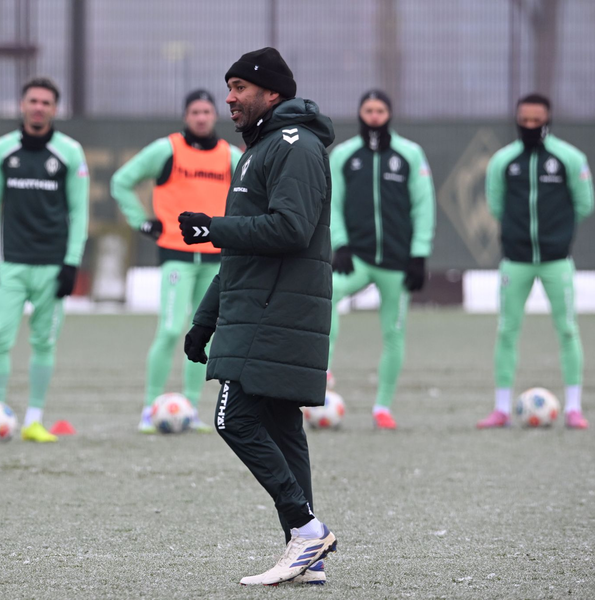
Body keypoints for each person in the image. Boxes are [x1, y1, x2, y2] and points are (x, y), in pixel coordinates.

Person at [178, 47, 336, 586]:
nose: (229, 97)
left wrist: (212, 227)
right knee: (281, 426)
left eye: (240, 87)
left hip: (274, 313)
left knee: (233, 419)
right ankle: (306, 552)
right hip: (259, 309)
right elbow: (246, 250)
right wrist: (207, 318)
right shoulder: (263, 147)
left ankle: (306, 529)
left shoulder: (295, 146)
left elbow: (290, 229)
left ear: (272, 94)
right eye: (228, 86)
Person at [0, 76, 89, 443]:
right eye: (33, 101)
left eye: (46, 103)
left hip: (52, 266)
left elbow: (79, 212)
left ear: (54, 109)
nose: (39, 107)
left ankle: (34, 420)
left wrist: (71, 263)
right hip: (11, 264)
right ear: (22, 105)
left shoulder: (69, 151)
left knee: (44, 343)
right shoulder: (3, 149)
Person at [110, 90, 242, 433]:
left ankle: (192, 409)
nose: (201, 117)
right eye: (195, 111)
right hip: (176, 256)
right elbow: (121, 182)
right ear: (186, 116)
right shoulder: (167, 149)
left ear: (216, 116)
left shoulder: (230, 155)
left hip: (216, 259)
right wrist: (141, 220)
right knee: (170, 329)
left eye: (207, 111)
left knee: (206, 333)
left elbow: (252, 193)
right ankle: (150, 409)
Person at [477, 93, 593, 429]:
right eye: (524, 120)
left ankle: (573, 408)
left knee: (568, 329)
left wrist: (557, 234)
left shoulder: (569, 158)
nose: (530, 125)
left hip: (557, 259)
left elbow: (584, 203)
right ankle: (500, 408)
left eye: (536, 120)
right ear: (517, 120)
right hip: (516, 259)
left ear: (548, 119)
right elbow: (495, 204)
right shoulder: (503, 161)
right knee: (507, 331)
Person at [327, 90, 436, 430]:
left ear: (389, 113)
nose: (374, 115)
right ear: (360, 113)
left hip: (397, 263)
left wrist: (418, 254)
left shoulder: (410, 154)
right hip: (356, 258)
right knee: (324, 296)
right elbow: (332, 202)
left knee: (394, 334)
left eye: (380, 109)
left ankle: (382, 408)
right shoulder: (344, 154)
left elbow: (424, 205)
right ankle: (322, 375)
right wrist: (340, 244)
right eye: (368, 109)